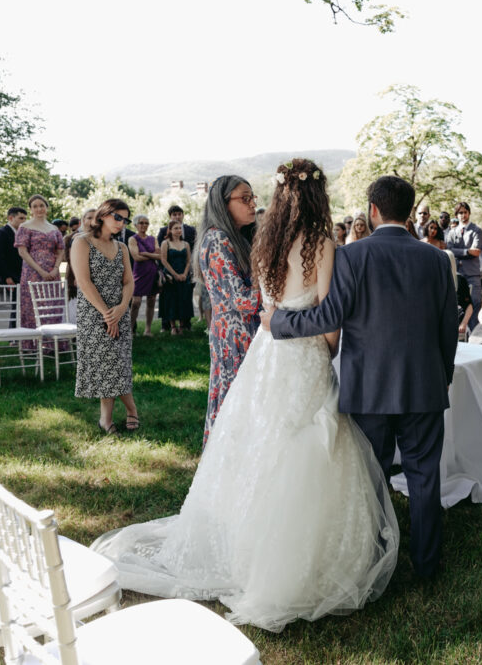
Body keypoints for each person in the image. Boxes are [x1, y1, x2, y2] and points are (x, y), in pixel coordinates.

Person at [93, 161, 400, 633]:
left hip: (266, 352)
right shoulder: (322, 243)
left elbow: (266, 307)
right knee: (304, 440)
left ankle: (240, 542)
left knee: (258, 436)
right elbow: (326, 313)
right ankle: (291, 561)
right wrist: (333, 350)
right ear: (317, 200)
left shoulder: (263, 243)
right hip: (305, 353)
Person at [266, 173, 457, 583]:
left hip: (368, 386)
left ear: (372, 210)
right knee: (425, 478)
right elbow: (447, 326)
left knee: (372, 477)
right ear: (407, 212)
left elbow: (330, 317)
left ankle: (375, 562)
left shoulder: (352, 256)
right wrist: (445, 374)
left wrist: (278, 321)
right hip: (424, 385)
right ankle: (427, 568)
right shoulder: (437, 259)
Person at [196, 175, 261, 447]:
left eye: (252, 197)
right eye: (244, 198)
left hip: (242, 329)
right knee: (235, 398)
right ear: (223, 204)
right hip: (235, 333)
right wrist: (272, 280)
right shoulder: (218, 240)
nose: (252, 204)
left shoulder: (237, 238)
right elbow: (244, 301)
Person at [71, 199, 139, 434]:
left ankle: (121, 415)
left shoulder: (121, 248)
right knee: (105, 365)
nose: (121, 223)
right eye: (117, 217)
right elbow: (83, 281)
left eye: (125, 219)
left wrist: (120, 309)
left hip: (119, 312)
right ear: (103, 215)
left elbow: (129, 282)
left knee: (118, 364)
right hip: (93, 314)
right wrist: (107, 315)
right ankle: (110, 418)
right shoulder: (82, 242)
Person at [15, 194, 64, 349]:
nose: (39, 209)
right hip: (32, 272)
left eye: (41, 205)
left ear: (46, 208)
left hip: (53, 272)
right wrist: (40, 271)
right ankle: (32, 345)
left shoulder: (54, 228)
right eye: (35, 206)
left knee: (52, 305)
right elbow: (22, 252)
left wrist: (56, 269)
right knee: (32, 307)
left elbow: (61, 250)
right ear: (31, 210)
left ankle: (51, 344)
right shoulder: (25, 227)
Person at [156, 204, 197, 333]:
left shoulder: (190, 232)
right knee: (170, 299)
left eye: (179, 214)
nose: (177, 216)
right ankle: (169, 325)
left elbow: (190, 258)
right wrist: (172, 274)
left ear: (183, 215)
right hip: (170, 273)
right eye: (174, 214)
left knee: (185, 298)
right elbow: (162, 258)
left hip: (185, 272)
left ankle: (185, 324)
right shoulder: (164, 235)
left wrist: (186, 273)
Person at [445, 201, 482, 331]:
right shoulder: (452, 232)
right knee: (456, 305)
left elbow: (476, 251)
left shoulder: (476, 230)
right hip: (457, 274)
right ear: (456, 215)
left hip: (472, 274)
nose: (462, 215)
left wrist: (460, 252)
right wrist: (467, 251)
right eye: (460, 213)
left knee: (475, 304)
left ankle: (474, 336)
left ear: (469, 213)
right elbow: (449, 250)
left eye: (465, 212)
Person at [424, 224, 471, 334]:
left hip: (456, 320)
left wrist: (464, 324)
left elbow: (469, 305)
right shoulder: (431, 279)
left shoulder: (460, 279)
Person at [128, 215, 161, 337]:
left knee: (151, 300)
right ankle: (130, 330)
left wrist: (146, 253)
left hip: (152, 271)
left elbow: (160, 256)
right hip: (139, 273)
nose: (144, 225)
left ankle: (147, 329)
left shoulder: (153, 239)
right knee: (136, 302)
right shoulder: (133, 239)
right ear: (136, 225)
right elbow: (136, 257)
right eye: (141, 223)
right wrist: (153, 255)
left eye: (146, 223)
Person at [65, 208, 96, 301]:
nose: (92, 221)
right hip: (79, 278)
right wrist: (77, 277)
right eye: (89, 218)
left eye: (96, 218)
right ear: (83, 220)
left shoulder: (103, 238)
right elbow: (73, 260)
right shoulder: (76, 237)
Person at [0, 206, 26, 286]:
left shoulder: (20, 234)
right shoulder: (1, 233)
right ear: (10, 218)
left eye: (25, 219)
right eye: (21, 218)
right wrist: (7, 277)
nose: (24, 221)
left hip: (21, 277)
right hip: (9, 280)